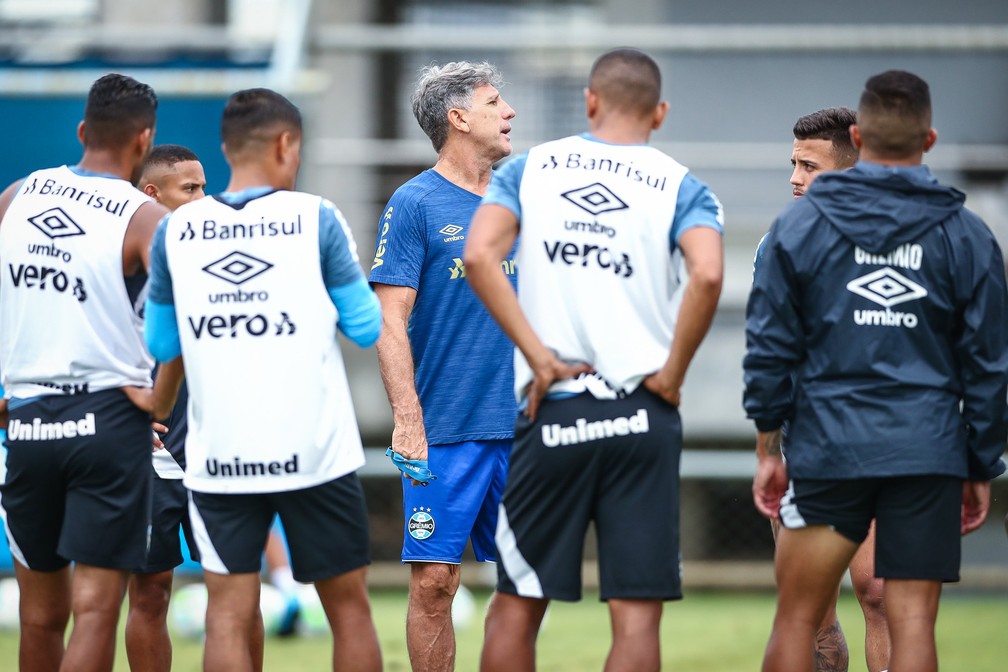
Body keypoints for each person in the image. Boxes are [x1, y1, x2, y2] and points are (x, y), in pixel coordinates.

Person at [465, 48, 724, 672]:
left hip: (553, 408)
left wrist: (540, 357)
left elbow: (478, 256)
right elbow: (709, 275)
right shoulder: (683, 184)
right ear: (659, 113)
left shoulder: (532, 168)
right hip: (643, 412)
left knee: (517, 603)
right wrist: (672, 375)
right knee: (636, 614)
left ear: (589, 101)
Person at [744, 70, 1008, 672]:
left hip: (827, 447)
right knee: (908, 623)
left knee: (806, 614)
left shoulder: (798, 231)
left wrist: (766, 447)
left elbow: (767, 351)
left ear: (859, 140)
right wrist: (982, 460)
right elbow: (989, 364)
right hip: (923, 450)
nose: (795, 179)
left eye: (806, 166)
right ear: (930, 139)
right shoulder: (967, 235)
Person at [144, 87, 383, 672]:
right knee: (349, 611)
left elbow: (161, 345)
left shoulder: (175, 232)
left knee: (226, 613)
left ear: (226, 148)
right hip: (316, 452)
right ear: (286, 144)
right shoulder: (317, 218)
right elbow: (365, 326)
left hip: (220, 456)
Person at [0, 73, 169, 672]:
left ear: (81, 131)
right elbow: (178, 322)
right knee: (96, 613)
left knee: (40, 617)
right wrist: (158, 400)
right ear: (144, 138)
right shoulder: (145, 216)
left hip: (25, 426)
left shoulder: (19, 195)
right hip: (106, 421)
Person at [368, 61, 517, 672]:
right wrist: (407, 419)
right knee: (434, 583)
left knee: (525, 584)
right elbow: (388, 318)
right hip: (445, 428)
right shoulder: (415, 202)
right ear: (457, 119)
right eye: (493, 103)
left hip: (526, 425)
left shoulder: (524, 199)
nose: (509, 113)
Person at [762, 107, 890, 672]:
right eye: (793, 162)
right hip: (805, 446)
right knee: (811, 612)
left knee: (880, 592)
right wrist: (769, 452)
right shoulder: (780, 243)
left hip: (888, 442)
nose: (794, 177)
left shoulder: (909, 241)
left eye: (809, 166)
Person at [126, 143, 207, 672]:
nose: (205, 198)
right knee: (150, 591)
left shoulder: (218, 254)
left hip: (215, 444)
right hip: (149, 450)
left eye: (204, 186)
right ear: (152, 195)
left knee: (233, 586)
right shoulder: (120, 264)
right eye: (191, 189)